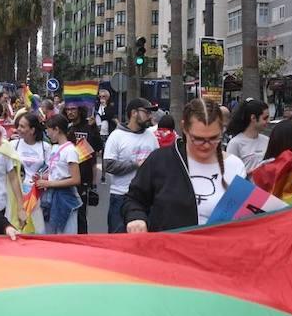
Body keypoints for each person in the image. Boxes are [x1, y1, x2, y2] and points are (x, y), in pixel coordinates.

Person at [123, 98, 246, 232]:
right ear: (184, 128)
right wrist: (136, 217)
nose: (206, 145)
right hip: (169, 248)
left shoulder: (235, 165)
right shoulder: (160, 160)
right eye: (198, 139)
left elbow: (246, 216)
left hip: (219, 249)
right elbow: (133, 199)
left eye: (214, 138)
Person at [102, 98, 161, 233]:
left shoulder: (151, 136)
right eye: (146, 112)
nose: (149, 116)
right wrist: (136, 165)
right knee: (118, 241)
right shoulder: (116, 136)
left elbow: (158, 163)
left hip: (146, 199)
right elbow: (108, 166)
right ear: (134, 113)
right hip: (121, 196)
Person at [38, 113, 83, 235]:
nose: (47, 133)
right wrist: (43, 178)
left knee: (66, 234)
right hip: (52, 195)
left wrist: (49, 183)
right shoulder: (55, 148)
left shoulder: (70, 150)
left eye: (48, 130)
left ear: (56, 129)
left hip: (66, 196)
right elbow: (56, 172)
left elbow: (75, 179)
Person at [64, 103, 103, 234]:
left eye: (73, 109)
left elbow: (97, 147)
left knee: (81, 215)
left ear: (79, 110)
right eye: (68, 109)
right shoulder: (66, 128)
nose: (70, 112)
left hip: (83, 177)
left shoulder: (89, 126)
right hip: (66, 177)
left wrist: (94, 128)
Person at [12, 111, 50, 234]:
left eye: (22, 126)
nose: (18, 129)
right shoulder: (13, 145)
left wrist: (43, 178)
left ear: (32, 130)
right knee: (19, 229)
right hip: (18, 194)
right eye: (18, 126)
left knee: (38, 231)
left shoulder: (45, 147)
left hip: (37, 196)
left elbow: (52, 169)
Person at [224, 99, 271, 173]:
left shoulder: (267, 140)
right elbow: (231, 173)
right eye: (265, 118)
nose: (268, 121)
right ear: (253, 118)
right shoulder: (235, 143)